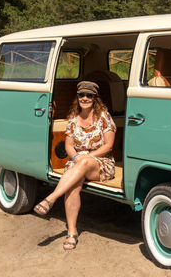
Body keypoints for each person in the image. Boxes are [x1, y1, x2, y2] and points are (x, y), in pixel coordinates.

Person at [34, 81, 116, 250]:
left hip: (101, 162)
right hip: (78, 162)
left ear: (95, 98)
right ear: (77, 97)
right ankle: (72, 232)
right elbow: (68, 147)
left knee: (81, 165)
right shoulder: (72, 119)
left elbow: (108, 146)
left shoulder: (104, 117)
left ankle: (51, 198)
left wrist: (86, 157)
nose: (85, 98)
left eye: (89, 95)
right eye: (81, 95)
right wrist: (77, 157)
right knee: (73, 187)